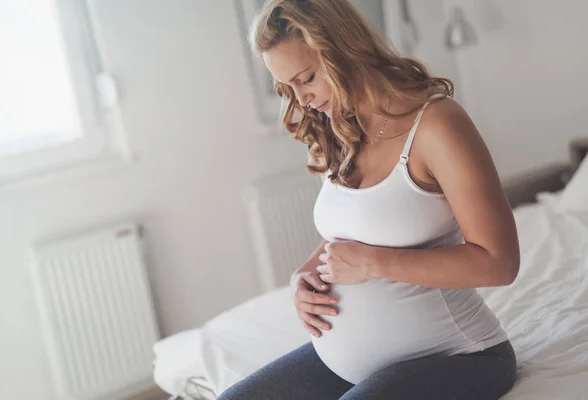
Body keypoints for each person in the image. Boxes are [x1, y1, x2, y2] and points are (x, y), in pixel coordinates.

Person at [219, 0, 519, 398]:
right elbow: (357, 230)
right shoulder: (337, 128)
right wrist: (304, 275)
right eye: (286, 87)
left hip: (460, 356)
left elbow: (499, 263)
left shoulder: (436, 125)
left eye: (307, 78)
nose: (302, 99)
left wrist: (377, 264)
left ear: (342, 51)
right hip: (348, 366)